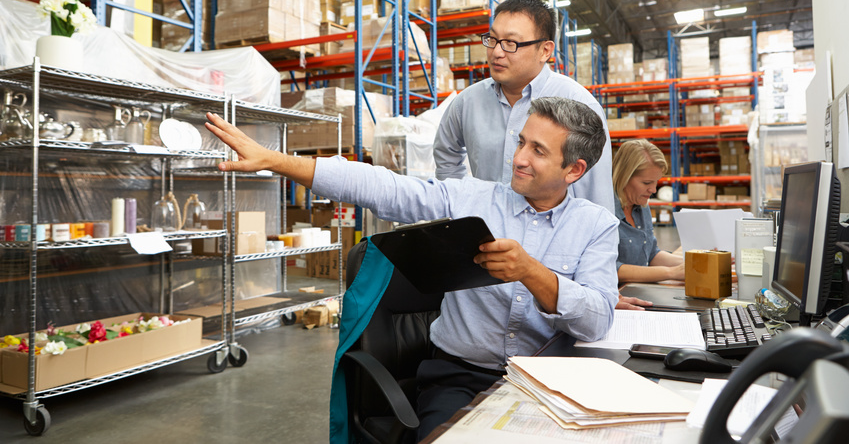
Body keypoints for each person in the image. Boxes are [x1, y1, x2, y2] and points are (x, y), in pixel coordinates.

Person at [204, 97, 619, 439]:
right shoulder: (471, 199)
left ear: (574, 170)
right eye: (522, 142)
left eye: (538, 151)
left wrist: (531, 271)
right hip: (459, 378)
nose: (519, 159)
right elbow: (384, 188)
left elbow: (597, 320)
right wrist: (277, 161)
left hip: (549, 386)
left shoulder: (596, 226)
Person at [433, 0, 614, 214]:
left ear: (545, 51)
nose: (497, 52)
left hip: (552, 240)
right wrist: (461, 204)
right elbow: (446, 154)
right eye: (492, 40)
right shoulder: (467, 102)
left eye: (511, 43)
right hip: (486, 234)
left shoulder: (579, 104)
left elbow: (596, 195)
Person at [612, 139, 684, 283]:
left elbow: (651, 254)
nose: (653, 190)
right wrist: (670, 273)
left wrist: (695, 263)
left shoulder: (641, 204)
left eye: (656, 182)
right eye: (646, 183)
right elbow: (611, 268)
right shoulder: (605, 211)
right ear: (624, 176)